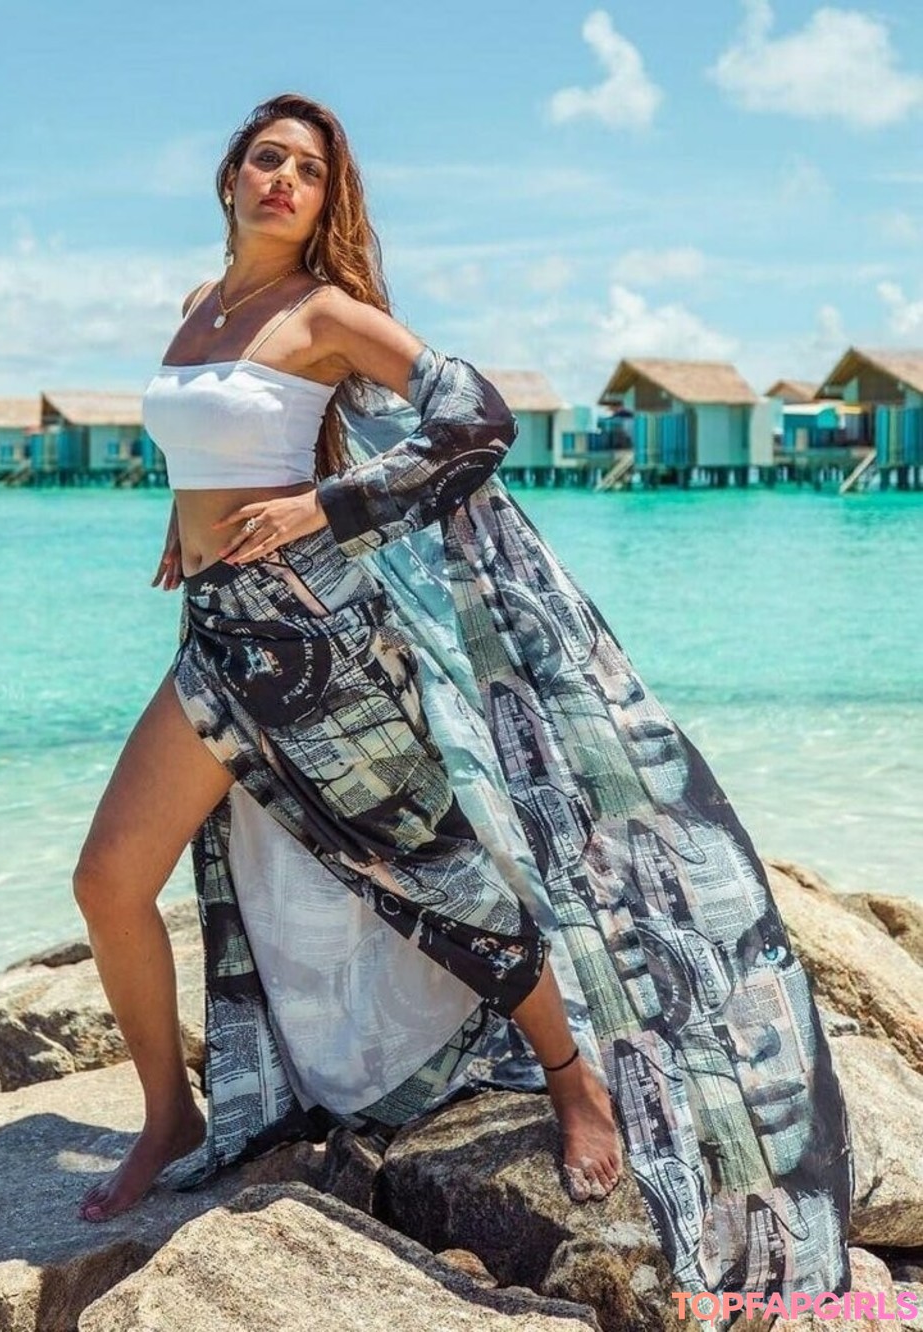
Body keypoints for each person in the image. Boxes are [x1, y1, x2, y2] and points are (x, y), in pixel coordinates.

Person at [71, 92, 852, 1302]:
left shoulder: (327, 313)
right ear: (229, 177)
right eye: (268, 159)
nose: (285, 181)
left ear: (327, 203)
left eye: (310, 173)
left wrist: (327, 506)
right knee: (108, 880)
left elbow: (477, 417)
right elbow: (219, 449)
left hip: (318, 642)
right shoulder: (198, 308)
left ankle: (573, 1080)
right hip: (219, 639)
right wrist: (186, 527)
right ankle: (171, 1115)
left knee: (438, 876)